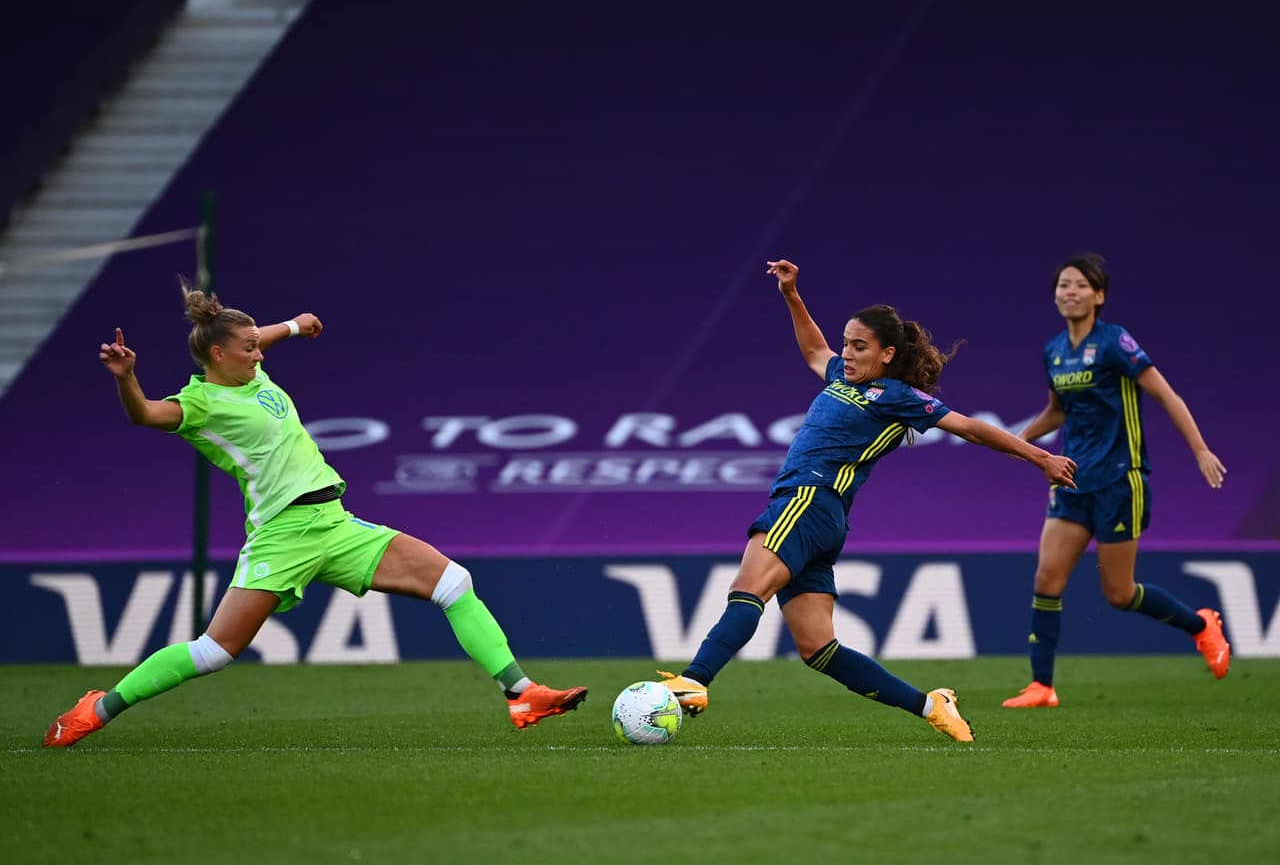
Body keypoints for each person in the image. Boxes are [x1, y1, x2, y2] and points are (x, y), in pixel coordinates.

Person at [43, 282, 587, 747]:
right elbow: (145, 416)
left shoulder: (250, 374)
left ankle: (521, 695)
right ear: (218, 357)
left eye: (258, 345)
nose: (258, 355)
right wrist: (125, 377)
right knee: (213, 651)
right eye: (249, 348)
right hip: (281, 535)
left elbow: (265, 337)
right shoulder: (202, 404)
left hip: (334, 521)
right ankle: (98, 708)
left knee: (452, 581)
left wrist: (295, 326)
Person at [657, 259, 1078, 742]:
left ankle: (695, 680)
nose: (847, 353)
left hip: (808, 499)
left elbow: (969, 427)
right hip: (825, 520)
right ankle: (931, 706)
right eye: (847, 343)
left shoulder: (897, 396)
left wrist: (1038, 457)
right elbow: (815, 349)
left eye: (860, 346)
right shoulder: (841, 376)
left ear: (886, 354)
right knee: (818, 648)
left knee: (748, 589)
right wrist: (792, 295)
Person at [1002, 253, 1229, 708]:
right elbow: (1058, 410)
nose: (1069, 291)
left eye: (1080, 285)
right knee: (1047, 577)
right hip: (1072, 478)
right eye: (1063, 284)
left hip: (1121, 480)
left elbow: (1166, 395)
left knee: (1119, 593)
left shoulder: (1115, 343)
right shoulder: (1054, 350)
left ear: (1099, 295)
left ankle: (1201, 626)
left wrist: (1201, 449)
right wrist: (1018, 441)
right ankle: (1042, 685)